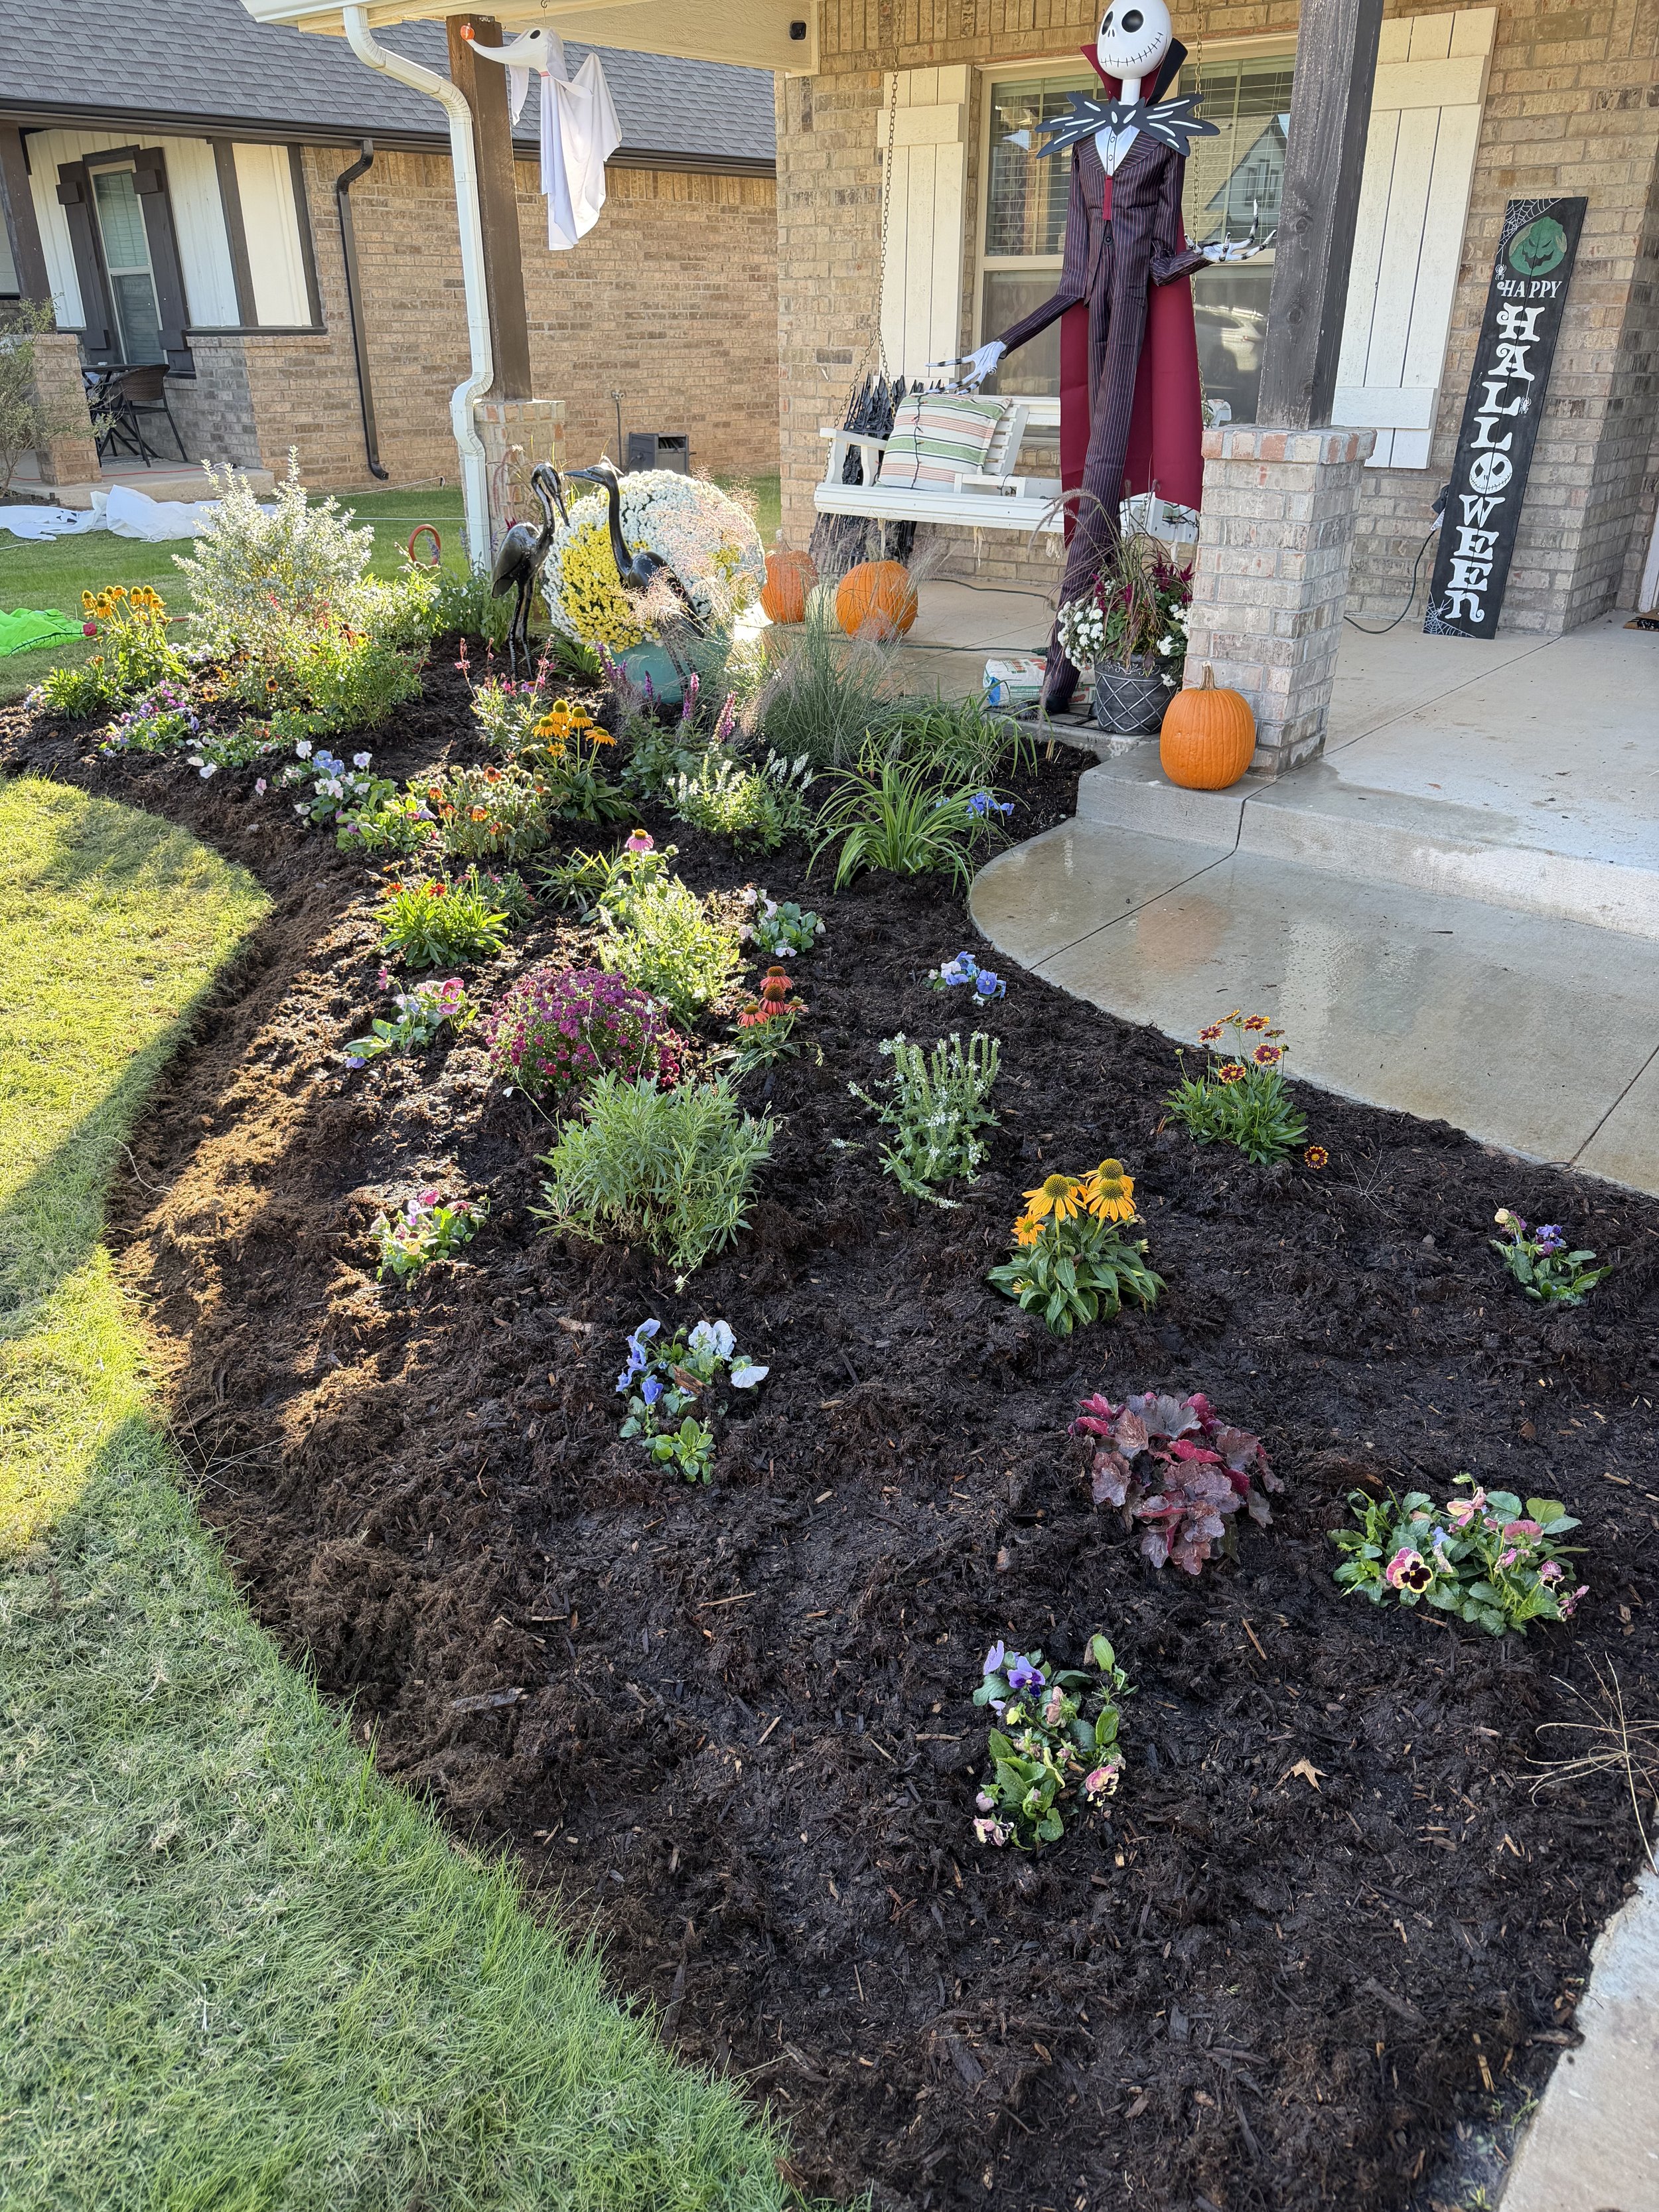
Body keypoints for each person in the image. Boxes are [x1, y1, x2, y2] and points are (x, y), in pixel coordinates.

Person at [950, 3, 1269, 711]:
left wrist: (1209, 254)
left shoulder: (1167, 143)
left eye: (1134, 22)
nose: (1120, 33)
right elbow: (1072, 280)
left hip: (1130, 330)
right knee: (1092, 480)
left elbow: (1158, 261)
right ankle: (1066, 667)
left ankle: (1064, 668)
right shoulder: (1084, 141)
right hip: (1091, 321)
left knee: (1103, 481)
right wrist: (997, 346)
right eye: (1112, 22)